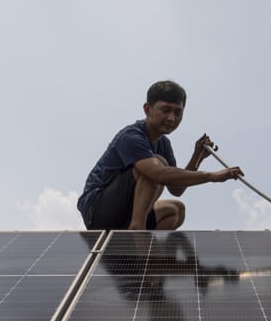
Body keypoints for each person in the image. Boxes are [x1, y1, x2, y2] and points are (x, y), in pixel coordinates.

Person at [78, 80, 243, 231]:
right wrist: (211, 176)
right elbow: (158, 174)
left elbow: (176, 189)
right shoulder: (131, 136)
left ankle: (141, 255)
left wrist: (197, 157)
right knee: (158, 164)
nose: (172, 118)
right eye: (165, 110)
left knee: (175, 210)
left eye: (178, 112)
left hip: (123, 213)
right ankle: (136, 234)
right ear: (147, 109)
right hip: (98, 211)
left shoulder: (163, 143)